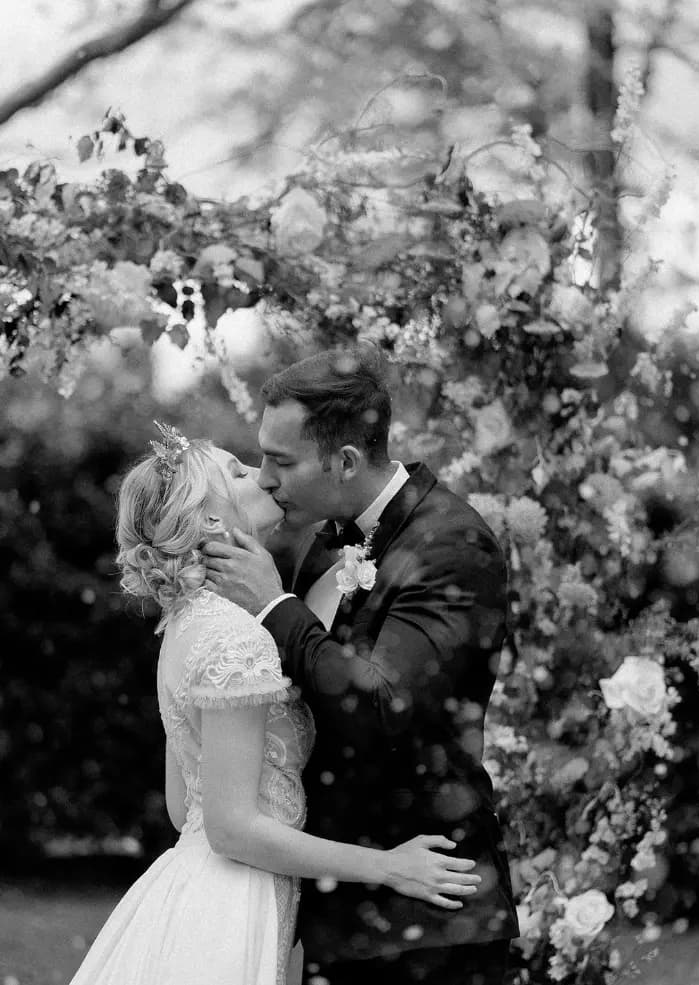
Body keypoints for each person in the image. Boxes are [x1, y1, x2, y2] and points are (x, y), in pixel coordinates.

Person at [67, 422, 482, 985]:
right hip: (229, 902)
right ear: (211, 521)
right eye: (237, 473)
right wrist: (387, 867)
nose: (261, 476)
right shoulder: (236, 636)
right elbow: (231, 828)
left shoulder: (186, 625)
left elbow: (181, 805)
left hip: (201, 886)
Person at [203, 347, 519, 985]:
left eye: (281, 461)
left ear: (345, 462)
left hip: (428, 914)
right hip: (341, 909)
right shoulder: (326, 538)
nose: (265, 477)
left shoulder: (453, 546)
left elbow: (383, 707)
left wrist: (274, 606)